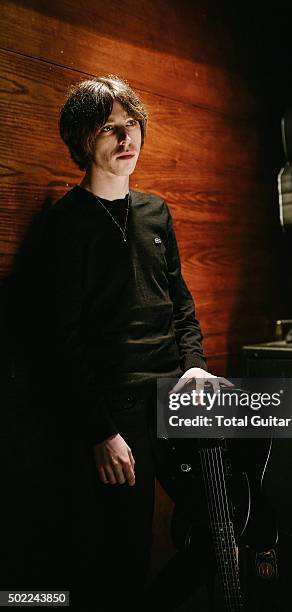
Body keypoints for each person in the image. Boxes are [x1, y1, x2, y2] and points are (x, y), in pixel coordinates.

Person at [41, 74, 220, 611]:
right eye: (111, 129)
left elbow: (182, 304)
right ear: (83, 141)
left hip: (176, 395)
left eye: (132, 125)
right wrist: (101, 431)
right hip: (118, 414)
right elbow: (61, 340)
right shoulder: (67, 224)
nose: (127, 139)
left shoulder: (156, 211)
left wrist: (195, 366)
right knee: (125, 556)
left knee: (221, 532)